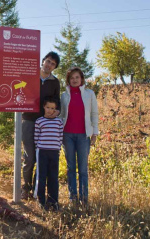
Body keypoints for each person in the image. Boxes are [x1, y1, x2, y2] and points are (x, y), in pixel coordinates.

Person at [22, 51, 61, 200]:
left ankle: (38, 191)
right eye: (48, 61)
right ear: (43, 61)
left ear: (54, 67)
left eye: (53, 64)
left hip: (46, 124)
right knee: (29, 157)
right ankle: (26, 187)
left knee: (41, 158)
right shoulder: (30, 76)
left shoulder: (55, 82)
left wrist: (55, 113)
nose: (49, 65)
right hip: (29, 120)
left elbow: (57, 103)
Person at [60, 67, 98, 205]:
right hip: (67, 135)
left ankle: (84, 197)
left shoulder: (89, 94)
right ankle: (72, 197)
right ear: (68, 80)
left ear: (81, 79)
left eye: (77, 77)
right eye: (72, 78)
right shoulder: (64, 95)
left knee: (83, 168)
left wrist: (95, 133)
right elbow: (61, 115)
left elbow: (94, 114)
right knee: (71, 168)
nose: (75, 80)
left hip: (83, 135)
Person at [33, 97, 63, 211]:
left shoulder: (58, 121)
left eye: (52, 108)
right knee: (41, 176)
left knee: (53, 177)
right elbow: (36, 137)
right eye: (48, 107)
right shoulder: (39, 121)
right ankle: (41, 201)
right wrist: (38, 148)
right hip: (42, 151)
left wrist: (58, 148)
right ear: (44, 107)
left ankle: (53, 201)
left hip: (54, 152)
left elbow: (60, 136)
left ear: (55, 109)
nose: (50, 110)